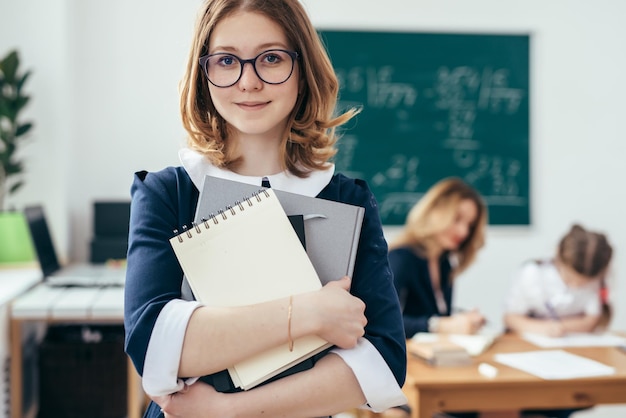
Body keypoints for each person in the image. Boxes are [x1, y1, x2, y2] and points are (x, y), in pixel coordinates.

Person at [123, 1, 408, 417]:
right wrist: (311, 313)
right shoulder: (168, 193)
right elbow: (154, 347)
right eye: (226, 61)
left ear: (303, 70)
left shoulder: (346, 199)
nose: (248, 81)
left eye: (271, 58)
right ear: (204, 75)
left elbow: (382, 364)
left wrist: (225, 412)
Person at [384, 177, 488, 418]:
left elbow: (434, 312)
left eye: (469, 225)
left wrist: (463, 321)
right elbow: (389, 325)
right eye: (457, 219)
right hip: (403, 373)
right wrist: (442, 325)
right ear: (435, 212)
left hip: (435, 366)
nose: (463, 231)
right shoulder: (400, 259)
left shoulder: (443, 263)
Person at [504, 223, 613, 418]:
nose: (578, 285)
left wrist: (562, 327)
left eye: (584, 283)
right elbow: (511, 318)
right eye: (572, 279)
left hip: (572, 359)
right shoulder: (532, 274)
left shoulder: (595, 282)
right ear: (558, 259)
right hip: (528, 356)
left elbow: (592, 319)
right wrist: (543, 328)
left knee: (565, 399)